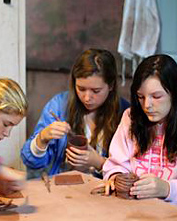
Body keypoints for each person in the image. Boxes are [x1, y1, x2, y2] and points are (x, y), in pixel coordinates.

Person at [103, 54, 177, 211]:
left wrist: (167, 189)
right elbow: (117, 163)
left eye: (156, 96)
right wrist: (115, 177)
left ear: (174, 94)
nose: (147, 105)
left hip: (175, 217)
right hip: (131, 210)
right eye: (141, 97)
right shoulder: (131, 117)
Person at [21, 48, 130, 177]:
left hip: (104, 192)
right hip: (63, 189)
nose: (87, 98)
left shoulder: (126, 114)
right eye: (81, 89)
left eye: (96, 91)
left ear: (111, 85)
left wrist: (99, 162)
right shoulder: (59, 106)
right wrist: (42, 139)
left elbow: (133, 172)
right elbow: (32, 163)